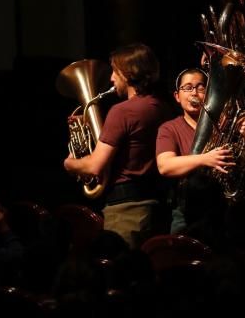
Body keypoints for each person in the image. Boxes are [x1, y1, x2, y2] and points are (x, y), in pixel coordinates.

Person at [64, 42, 171, 249]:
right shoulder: (163, 107)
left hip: (126, 211)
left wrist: (70, 163)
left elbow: (95, 166)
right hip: (157, 206)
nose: (112, 78)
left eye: (115, 71)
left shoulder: (122, 111)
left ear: (128, 73)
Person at [156, 67, 239, 234]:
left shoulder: (225, 126)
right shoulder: (169, 128)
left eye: (201, 88)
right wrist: (204, 159)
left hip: (224, 205)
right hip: (186, 208)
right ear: (177, 96)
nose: (194, 93)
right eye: (187, 88)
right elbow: (165, 166)